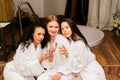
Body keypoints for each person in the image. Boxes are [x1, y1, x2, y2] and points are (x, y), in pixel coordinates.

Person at [37, 15, 74, 80]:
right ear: (46, 26)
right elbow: (46, 66)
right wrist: (50, 55)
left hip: (64, 71)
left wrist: (67, 54)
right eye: (51, 26)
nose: (53, 30)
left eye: (56, 27)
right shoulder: (42, 40)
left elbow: (70, 61)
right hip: (48, 71)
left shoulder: (63, 40)